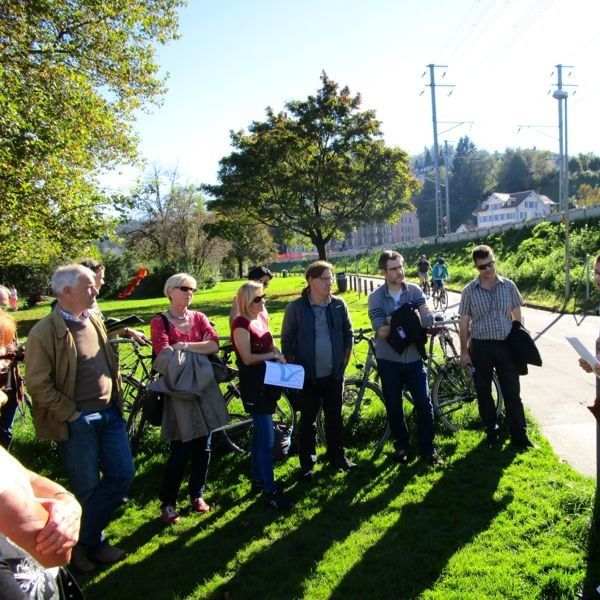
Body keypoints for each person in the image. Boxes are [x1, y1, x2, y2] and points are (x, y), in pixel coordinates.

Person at [24, 264, 135, 573]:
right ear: (67, 291)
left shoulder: (94, 319)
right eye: (89, 286)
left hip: (109, 414)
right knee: (86, 485)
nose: (96, 291)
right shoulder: (44, 332)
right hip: (76, 418)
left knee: (123, 475)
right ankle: (92, 545)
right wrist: (70, 413)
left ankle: (83, 541)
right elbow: (37, 383)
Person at [150, 273, 229, 525]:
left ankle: (197, 494)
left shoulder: (199, 317)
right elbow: (163, 354)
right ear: (170, 291)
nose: (189, 293)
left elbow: (213, 345)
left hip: (203, 389)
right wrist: (196, 348)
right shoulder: (160, 321)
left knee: (203, 447)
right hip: (179, 393)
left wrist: (184, 347)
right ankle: (168, 503)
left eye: (193, 289)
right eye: (184, 288)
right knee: (180, 449)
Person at [281, 261, 355, 481]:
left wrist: (342, 364)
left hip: (333, 375)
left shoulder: (339, 305)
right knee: (308, 422)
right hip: (308, 377)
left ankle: (337, 457)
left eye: (331, 278)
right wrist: (296, 371)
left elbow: (348, 334)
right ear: (311, 280)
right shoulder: (296, 308)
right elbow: (287, 341)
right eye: (324, 278)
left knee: (334, 418)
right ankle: (307, 464)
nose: (329, 282)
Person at [367, 250, 442, 465]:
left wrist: (396, 319)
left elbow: (426, 319)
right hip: (388, 359)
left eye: (401, 267)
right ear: (383, 272)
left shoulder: (415, 290)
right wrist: (408, 317)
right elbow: (381, 331)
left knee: (424, 403)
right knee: (394, 405)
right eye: (393, 269)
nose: (400, 272)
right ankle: (402, 447)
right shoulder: (376, 297)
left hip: (413, 357)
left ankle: (428, 449)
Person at [458, 245, 532, 447]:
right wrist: (464, 352)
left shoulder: (508, 286)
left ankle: (520, 435)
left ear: (494, 260)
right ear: (476, 267)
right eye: (483, 267)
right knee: (483, 392)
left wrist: (521, 343)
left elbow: (517, 316)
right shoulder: (469, 291)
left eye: (490, 264)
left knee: (512, 392)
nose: (488, 269)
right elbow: (463, 324)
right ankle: (491, 431)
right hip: (480, 347)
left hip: (507, 346)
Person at [231, 282, 292, 510]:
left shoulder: (262, 317)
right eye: (258, 298)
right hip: (254, 385)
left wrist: (279, 355)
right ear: (246, 301)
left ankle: (257, 478)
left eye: (263, 296)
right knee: (266, 438)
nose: (263, 301)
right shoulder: (241, 323)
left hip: (269, 382)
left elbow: (271, 345)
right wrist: (271, 357)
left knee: (260, 435)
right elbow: (246, 358)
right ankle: (270, 488)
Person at [79, 260, 146, 345]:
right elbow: (94, 330)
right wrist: (128, 331)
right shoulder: (81, 302)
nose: (103, 282)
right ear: (90, 278)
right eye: (101, 278)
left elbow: (101, 325)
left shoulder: (91, 299)